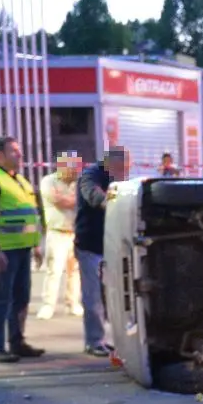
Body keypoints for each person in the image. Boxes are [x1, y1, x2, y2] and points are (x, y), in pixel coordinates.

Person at [0, 136, 45, 363]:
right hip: (5, 251)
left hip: (23, 248)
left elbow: (30, 215)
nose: (20, 154)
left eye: (19, 150)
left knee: (21, 298)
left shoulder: (21, 180)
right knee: (2, 299)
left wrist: (36, 246)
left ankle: (17, 341)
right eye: (14, 151)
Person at [74, 147, 126, 357]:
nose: (124, 172)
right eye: (122, 167)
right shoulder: (91, 175)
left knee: (108, 296)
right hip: (89, 245)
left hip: (107, 245)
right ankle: (94, 341)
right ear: (111, 163)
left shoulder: (115, 178)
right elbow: (93, 195)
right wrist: (110, 203)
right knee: (93, 296)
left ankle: (102, 339)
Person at [36, 151, 83, 320]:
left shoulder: (78, 182)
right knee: (53, 271)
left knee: (75, 271)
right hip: (56, 233)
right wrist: (74, 198)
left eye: (77, 165)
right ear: (61, 164)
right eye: (71, 165)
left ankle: (73, 303)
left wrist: (73, 198)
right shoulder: (49, 181)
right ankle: (48, 305)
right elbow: (61, 201)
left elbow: (79, 200)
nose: (75, 169)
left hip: (75, 232)